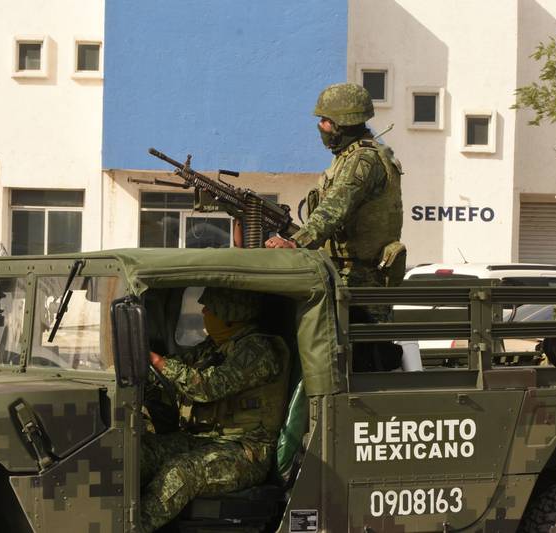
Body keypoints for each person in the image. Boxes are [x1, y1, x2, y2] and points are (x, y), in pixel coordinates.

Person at [265, 82, 405, 370]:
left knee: (363, 363)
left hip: (360, 279)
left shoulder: (362, 160)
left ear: (341, 125)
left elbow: (335, 208)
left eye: (325, 121)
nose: (321, 126)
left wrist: (297, 242)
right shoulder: (350, 158)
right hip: (345, 273)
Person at [140, 287, 290, 532]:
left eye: (210, 308)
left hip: (246, 451)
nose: (203, 311)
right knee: (142, 453)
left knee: (182, 472)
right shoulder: (218, 346)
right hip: (206, 440)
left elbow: (208, 387)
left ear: (231, 314)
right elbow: (183, 365)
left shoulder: (258, 351)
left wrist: (158, 362)